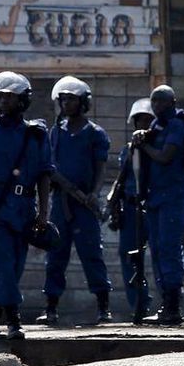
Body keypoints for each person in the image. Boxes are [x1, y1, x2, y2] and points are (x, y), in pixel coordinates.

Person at [0, 72, 53, 339]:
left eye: (10, 96)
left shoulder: (37, 134)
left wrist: (44, 211)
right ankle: (14, 320)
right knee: (3, 265)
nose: (3, 101)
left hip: (25, 207)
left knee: (14, 267)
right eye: (0, 96)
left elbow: (44, 174)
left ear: (23, 100)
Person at [37, 76, 112, 325]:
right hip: (60, 202)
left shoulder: (95, 133)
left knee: (92, 254)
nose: (66, 103)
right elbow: (49, 167)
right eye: (64, 99)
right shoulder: (56, 133)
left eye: (71, 99)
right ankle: (51, 307)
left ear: (83, 102)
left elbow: (101, 168)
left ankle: (103, 307)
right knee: (55, 256)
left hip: (84, 205)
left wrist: (93, 194)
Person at [132, 85, 184, 325]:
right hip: (156, 196)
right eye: (154, 101)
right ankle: (165, 304)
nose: (157, 106)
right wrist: (143, 136)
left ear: (172, 102)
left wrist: (143, 145)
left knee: (169, 248)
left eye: (162, 101)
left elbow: (165, 156)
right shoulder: (157, 126)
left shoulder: (176, 124)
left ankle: (173, 307)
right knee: (156, 250)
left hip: (173, 195)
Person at [112, 98, 155, 317]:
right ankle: (138, 304)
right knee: (130, 257)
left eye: (149, 120)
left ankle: (170, 304)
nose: (144, 125)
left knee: (160, 255)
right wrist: (114, 206)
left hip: (154, 209)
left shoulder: (161, 148)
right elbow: (121, 180)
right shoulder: (128, 151)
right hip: (131, 209)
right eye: (141, 121)